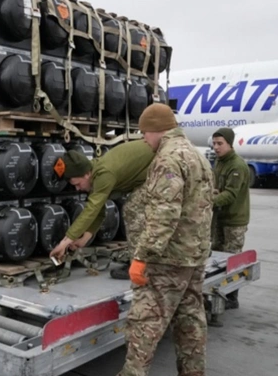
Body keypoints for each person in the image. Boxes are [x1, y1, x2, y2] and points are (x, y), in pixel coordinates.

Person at [117, 103, 214, 376]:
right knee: (191, 317)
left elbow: (164, 213)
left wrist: (142, 255)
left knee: (145, 320)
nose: (144, 140)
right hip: (194, 255)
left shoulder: (168, 159)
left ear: (156, 130)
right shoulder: (198, 156)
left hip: (168, 258)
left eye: (144, 133)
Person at [49, 140, 155, 280]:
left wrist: (64, 242)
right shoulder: (96, 172)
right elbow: (99, 211)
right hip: (150, 172)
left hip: (161, 168)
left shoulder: (104, 174)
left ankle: (141, 266)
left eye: (77, 184)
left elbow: (91, 209)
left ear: (86, 174)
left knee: (133, 210)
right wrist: (83, 240)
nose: (78, 189)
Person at [211, 127, 250, 311]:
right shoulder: (220, 162)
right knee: (217, 257)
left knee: (232, 259)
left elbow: (230, 194)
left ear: (229, 144)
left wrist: (207, 201)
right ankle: (218, 293)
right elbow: (218, 187)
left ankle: (232, 297)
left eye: (220, 144)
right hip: (220, 217)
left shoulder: (237, 165)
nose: (216, 147)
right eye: (214, 143)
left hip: (234, 220)